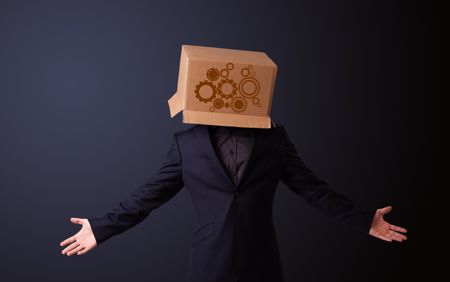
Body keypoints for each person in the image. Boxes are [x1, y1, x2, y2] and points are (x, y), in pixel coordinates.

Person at [60, 123, 407, 282]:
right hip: (210, 263)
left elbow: (312, 189)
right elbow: (149, 195)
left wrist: (364, 220)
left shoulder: (274, 138)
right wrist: (102, 227)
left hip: (262, 261)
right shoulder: (187, 143)